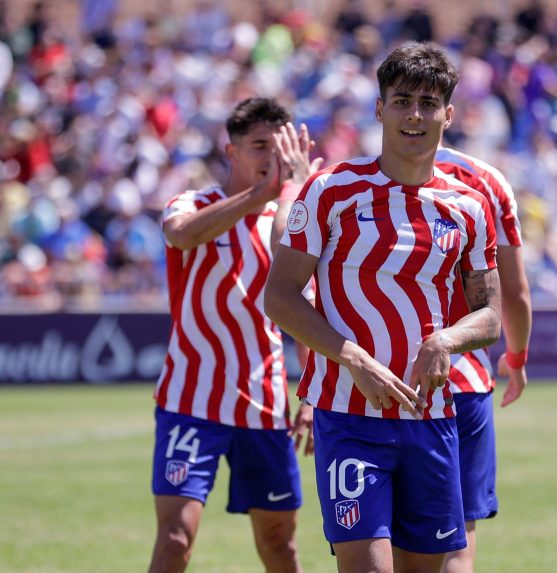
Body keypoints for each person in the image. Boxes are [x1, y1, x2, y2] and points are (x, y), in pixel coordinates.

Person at [264, 43, 502, 573]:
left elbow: (489, 317)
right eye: (401, 101)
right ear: (379, 109)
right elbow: (278, 297)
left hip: (432, 416)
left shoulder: (469, 206)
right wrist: (352, 357)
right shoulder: (329, 192)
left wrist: (447, 340)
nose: (414, 115)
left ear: (449, 114)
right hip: (349, 417)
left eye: (427, 102)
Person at [149, 97, 321, 573]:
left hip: (264, 405)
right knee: (176, 538)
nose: (272, 156)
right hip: (190, 401)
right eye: (260, 145)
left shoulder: (289, 223)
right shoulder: (193, 203)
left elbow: (302, 310)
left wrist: (308, 395)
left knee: (279, 543)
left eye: (281, 146)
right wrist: (260, 196)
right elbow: (181, 235)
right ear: (231, 152)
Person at [434, 145, 532, 573]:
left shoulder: (372, 174)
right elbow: (515, 293)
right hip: (465, 378)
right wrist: (517, 357)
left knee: (393, 540)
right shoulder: (488, 180)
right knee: (458, 542)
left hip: (393, 378)